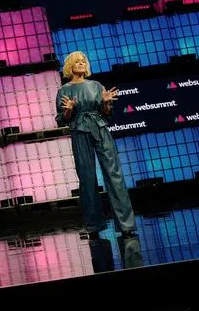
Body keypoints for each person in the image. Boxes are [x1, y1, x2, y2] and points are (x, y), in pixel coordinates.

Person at [55, 51, 137, 238]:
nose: (82, 63)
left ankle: (126, 226)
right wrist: (68, 111)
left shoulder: (96, 85)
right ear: (70, 66)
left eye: (84, 61)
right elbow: (61, 119)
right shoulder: (64, 91)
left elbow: (107, 113)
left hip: (100, 130)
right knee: (87, 178)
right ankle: (94, 226)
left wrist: (107, 104)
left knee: (114, 175)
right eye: (77, 61)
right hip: (79, 133)